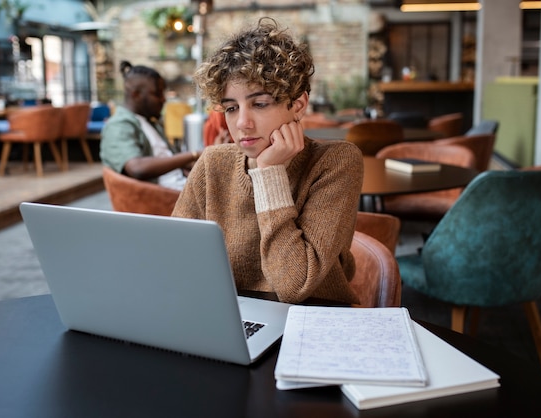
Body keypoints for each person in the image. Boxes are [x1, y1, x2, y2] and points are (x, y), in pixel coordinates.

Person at [172, 18, 364, 305]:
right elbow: (174, 263)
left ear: (297, 105)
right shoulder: (213, 163)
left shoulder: (336, 162)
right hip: (230, 315)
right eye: (231, 108)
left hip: (313, 319)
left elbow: (293, 286)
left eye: (260, 104)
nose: (242, 123)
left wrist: (270, 173)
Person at [100, 61, 201, 190]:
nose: (163, 99)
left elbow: (174, 162)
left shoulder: (150, 123)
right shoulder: (118, 125)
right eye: (157, 94)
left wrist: (210, 158)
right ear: (135, 94)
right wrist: (194, 154)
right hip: (163, 200)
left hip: (181, 190)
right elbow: (137, 168)